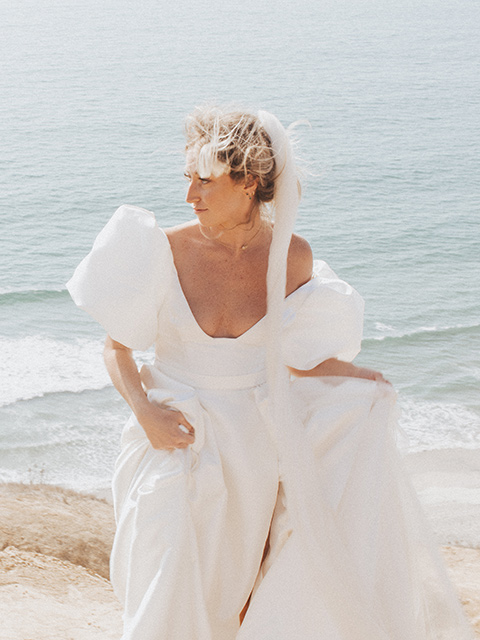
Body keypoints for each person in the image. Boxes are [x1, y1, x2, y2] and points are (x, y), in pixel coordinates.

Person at [66, 107, 472, 639]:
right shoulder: (162, 249)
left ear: (249, 182)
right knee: (161, 572)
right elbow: (116, 348)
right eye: (188, 179)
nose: (191, 196)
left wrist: (359, 379)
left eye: (205, 182)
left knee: (232, 589)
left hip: (252, 444)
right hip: (173, 435)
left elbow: (293, 354)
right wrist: (145, 414)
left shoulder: (292, 257)